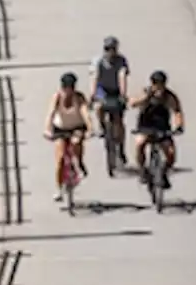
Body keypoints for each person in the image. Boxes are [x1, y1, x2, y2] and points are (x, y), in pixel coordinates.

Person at [42, 72, 93, 201]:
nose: (67, 91)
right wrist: (47, 129)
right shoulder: (57, 97)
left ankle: (79, 163)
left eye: (70, 88)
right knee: (59, 159)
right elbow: (50, 113)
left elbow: (85, 113)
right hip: (60, 128)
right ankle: (59, 189)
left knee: (76, 142)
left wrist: (90, 128)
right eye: (65, 88)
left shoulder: (79, 98)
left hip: (77, 126)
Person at [131, 71, 185, 186]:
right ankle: (142, 169)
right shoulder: (146, 92)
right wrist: (146, 98)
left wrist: (179, 125)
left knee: (170, 153)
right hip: (146, 126)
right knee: (140, 144)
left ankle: (164, 172)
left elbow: (177, 111)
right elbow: (133, 103)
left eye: (161, 83)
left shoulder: (169, 96)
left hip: (162, 127)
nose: (159, 86)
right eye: (156, 83)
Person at [89, 35, 130, 163]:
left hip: (116, 90)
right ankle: (102, 126)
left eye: (112, 49)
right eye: (107, 49)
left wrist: (123, 95)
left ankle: (121, 148)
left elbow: (122, 76)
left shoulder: (121, 61)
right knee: (98, 107)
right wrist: (92, 94)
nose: (110, 52)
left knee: (118, 120)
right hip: (103, 89)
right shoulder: (98, 61)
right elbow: (95, 77)